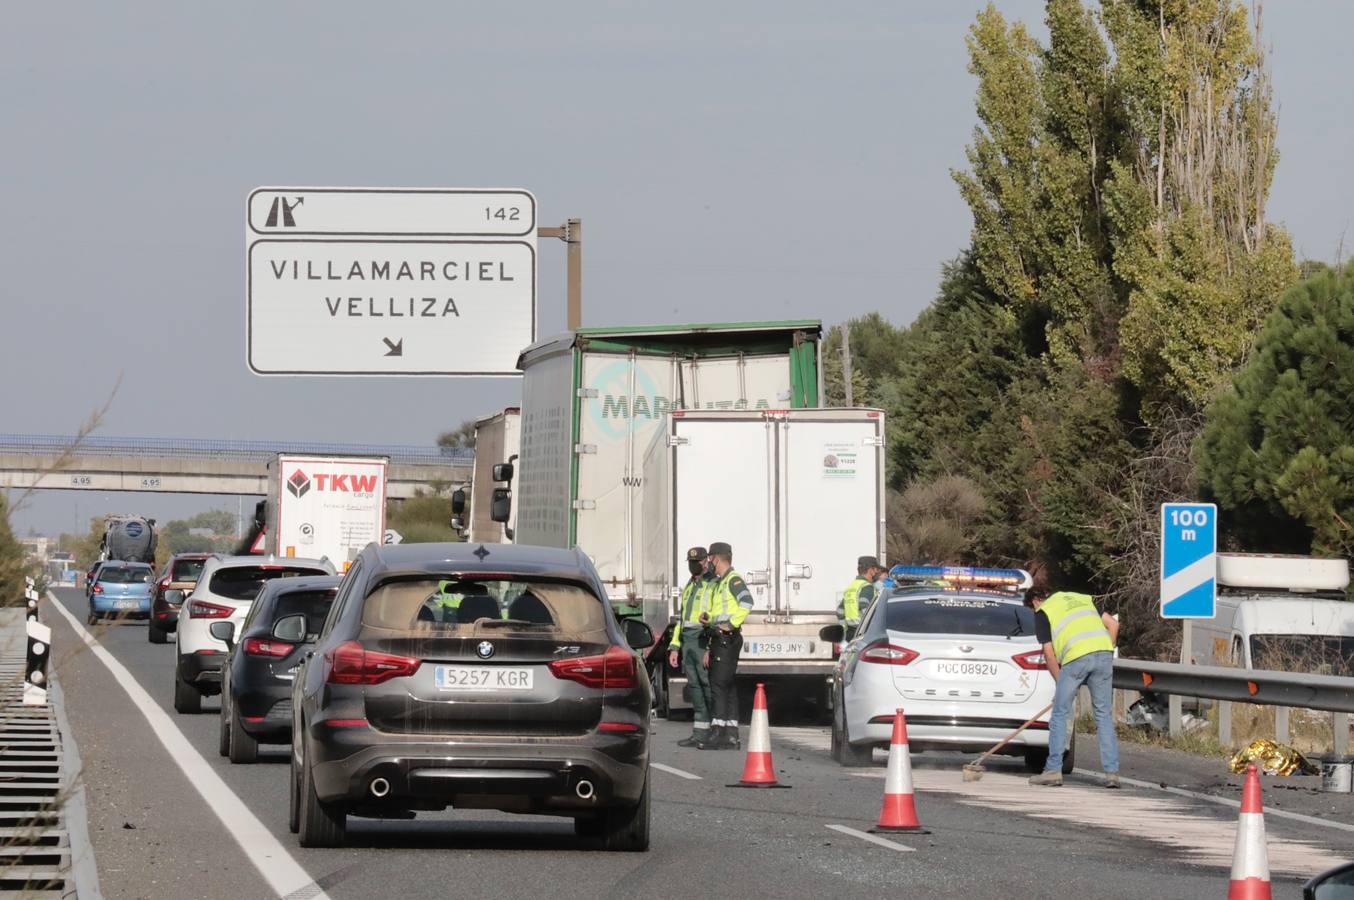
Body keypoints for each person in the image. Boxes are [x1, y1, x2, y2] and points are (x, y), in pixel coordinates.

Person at [1024, 585, 1121, 788]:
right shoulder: (1081, 598)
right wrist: (1105, 651)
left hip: (1076, 657)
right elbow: (1113, 625)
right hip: (1103, 653)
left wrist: (1062, 685)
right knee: (1103, 714)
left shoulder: (1044, 612)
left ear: (1034, 601)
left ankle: (1052, 770)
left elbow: (1049, 655)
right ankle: (1112, 773)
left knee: (1060, 712)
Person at [701, 541, 755, 751]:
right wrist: (711, 618)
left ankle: (719, 733)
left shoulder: (732, 580)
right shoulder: (722, 582)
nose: (708, 564)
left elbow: (747, 602)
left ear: (715, 558)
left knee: (718, 686)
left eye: (709, 559)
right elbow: (724, 610)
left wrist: (731, 624)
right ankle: (731, 734)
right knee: (728, 686)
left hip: (726, 638)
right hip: (721, 637)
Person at [667, 547, 716, 748]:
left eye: (696, 561)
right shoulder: (690, 585)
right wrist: (675, 647)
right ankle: (699, 733)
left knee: (708, 687)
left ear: (706, 562)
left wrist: (710, 647)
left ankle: (716, 730)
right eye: (690, 561)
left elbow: (716, 616)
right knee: (695, 688)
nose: (693, 565)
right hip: (688, 642)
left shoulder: (713, 584)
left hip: (703, 640)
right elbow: (682, 619)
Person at [837, 556, 884, 640]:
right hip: (862, 633)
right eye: (876, 569)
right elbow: (865, 610)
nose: (878, 573)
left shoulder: (851, 586)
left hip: (850, 633)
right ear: (870, 570)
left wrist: (844, 629)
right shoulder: (867, 587)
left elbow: (840, 611)